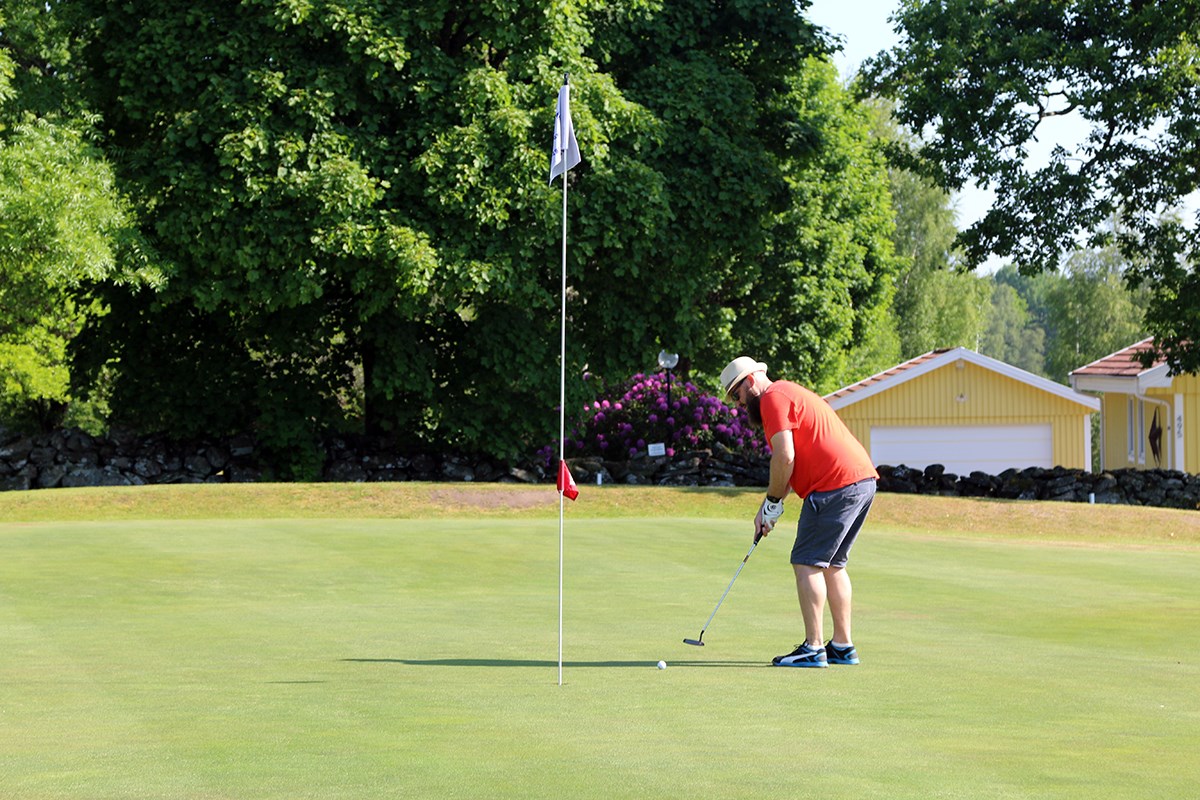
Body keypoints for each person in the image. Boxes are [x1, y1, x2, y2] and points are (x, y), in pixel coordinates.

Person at [719, 356, 878, 668]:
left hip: (835, 484)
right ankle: (843, 646)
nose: (738, 404)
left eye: (736, 396)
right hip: (861, 481)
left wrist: (772, 503)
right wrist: (769, 509)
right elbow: (793, 464)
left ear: (750, 382)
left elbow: (785, 456)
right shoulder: (787, 393)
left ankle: (814, 647)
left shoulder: (771, 399)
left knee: (806, 562)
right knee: (833, 565)